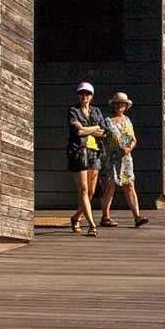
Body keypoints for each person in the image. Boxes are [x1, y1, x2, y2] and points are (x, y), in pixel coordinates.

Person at [96, 92, 149, 228]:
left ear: (126, 106)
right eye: (118, 103)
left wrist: (129, 147)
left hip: (125, 158)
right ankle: (105, 217)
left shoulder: (127, 120)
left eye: (122, 103)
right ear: (113, 105)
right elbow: (110, 136)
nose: (120, 106)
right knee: (110, 185)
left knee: (129, 185)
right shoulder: (108, 120)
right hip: (111, 157)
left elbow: (133, 138)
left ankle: (137, 216)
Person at [67, 82, 107, 235]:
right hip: (79, 151)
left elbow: (104, 132)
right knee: (83, 189)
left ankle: (76, 217)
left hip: (94, 151)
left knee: (90, 191)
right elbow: (78, 132)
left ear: (92, 96)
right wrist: (95, 128)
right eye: (82, 93)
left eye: (87, 94)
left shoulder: (96, 111)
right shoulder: (73, 111)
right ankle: (92, 225)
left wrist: (90, 130)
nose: (85, 96)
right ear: (78, 95)